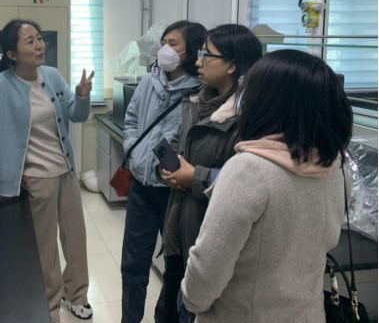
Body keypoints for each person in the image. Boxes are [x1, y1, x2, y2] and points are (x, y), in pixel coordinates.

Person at [181, 50, 354, 323]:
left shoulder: (249, 170)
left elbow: (206, 274)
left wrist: (191, 300)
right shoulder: (336, 168)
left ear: (267, 102)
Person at [0, 19, 94, 323]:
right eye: (30, 41)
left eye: (39, 38)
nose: (40, 45)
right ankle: (50, 305)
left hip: (66, 171)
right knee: (45, 247)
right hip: (37, 178)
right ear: (12, 54)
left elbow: (76, 115)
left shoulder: (52, 76)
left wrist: (82, 95)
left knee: (75, 237)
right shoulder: (0, 84)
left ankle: (78, 295)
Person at [160, 25, 263, 322]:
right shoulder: (198, 102)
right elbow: (178, 143)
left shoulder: (248, 118)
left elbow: (247, 182)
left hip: (210, 239)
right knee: (169, 309)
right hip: (180, 229)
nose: (197, 62)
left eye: (207, 55)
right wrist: (168, 168)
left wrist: (195, 177)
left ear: (232, 65)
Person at [120, 21, 206, 323]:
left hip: (174, 191)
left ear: (190, 52)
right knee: (133, 264)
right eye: (164, 42)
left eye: (173, 44)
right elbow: (131, 119)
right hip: (141, 187)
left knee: (175, 265)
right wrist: (134, 151)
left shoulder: (200, 93)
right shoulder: (149, 81)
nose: (165, 50)